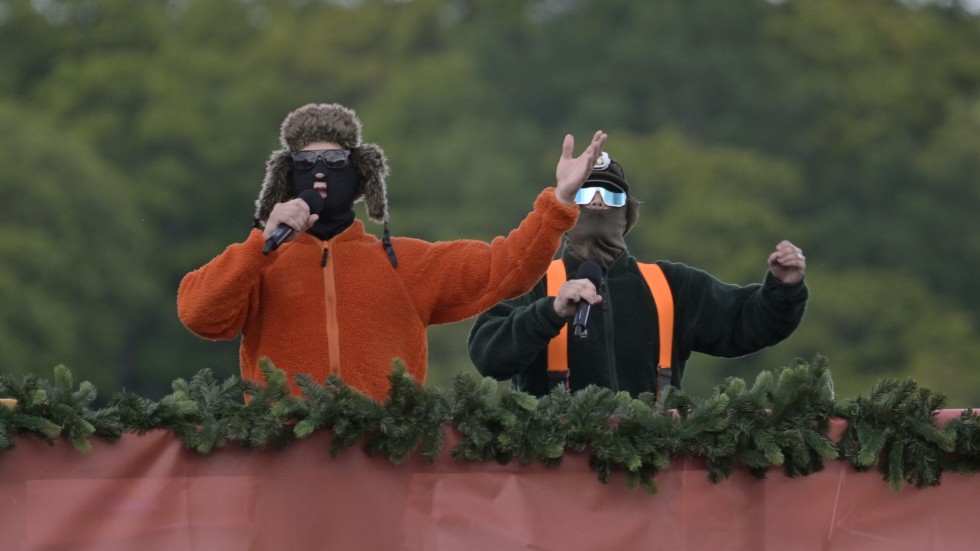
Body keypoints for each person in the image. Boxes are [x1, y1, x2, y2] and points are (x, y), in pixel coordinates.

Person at [177, 102, 606, 401]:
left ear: (362, 178)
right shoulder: (260, 264)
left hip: (384, 469)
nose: (321, 174)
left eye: (335, 162)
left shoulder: (403, 262)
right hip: (284, 469)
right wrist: (261, 245)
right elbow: (199, 313)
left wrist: (561, 202)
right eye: (306, 165)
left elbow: (505, 267)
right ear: (287, 179)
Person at [466, 152, 808, 398]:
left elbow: (748, 321)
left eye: (610, 195)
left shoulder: (670, 286)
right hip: (556, 481)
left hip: (649, 481)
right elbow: (488, 355)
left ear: (628, 216)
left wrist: (783, 286)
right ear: (569, 210)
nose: (598, 204)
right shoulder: (533, 282)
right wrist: (550, 312)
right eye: (585, 193)